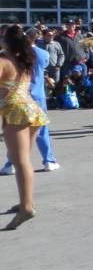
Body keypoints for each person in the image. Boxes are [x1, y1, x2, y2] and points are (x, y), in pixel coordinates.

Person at [2, 25, 50, 230]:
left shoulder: (4, 61)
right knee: (25, 161)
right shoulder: (25, 60)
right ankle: (26, 201)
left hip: (16, 111)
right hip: (31, 108)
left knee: (20, 161)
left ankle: (27, 206)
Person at [0, 29, 59, 176]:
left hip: (16, 98)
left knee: (15, 133)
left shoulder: (10, 57)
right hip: (36, 96)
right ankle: (48, 160)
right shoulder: (41, 54)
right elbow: (45, 66)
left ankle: (10, 163)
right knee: (41, 130)